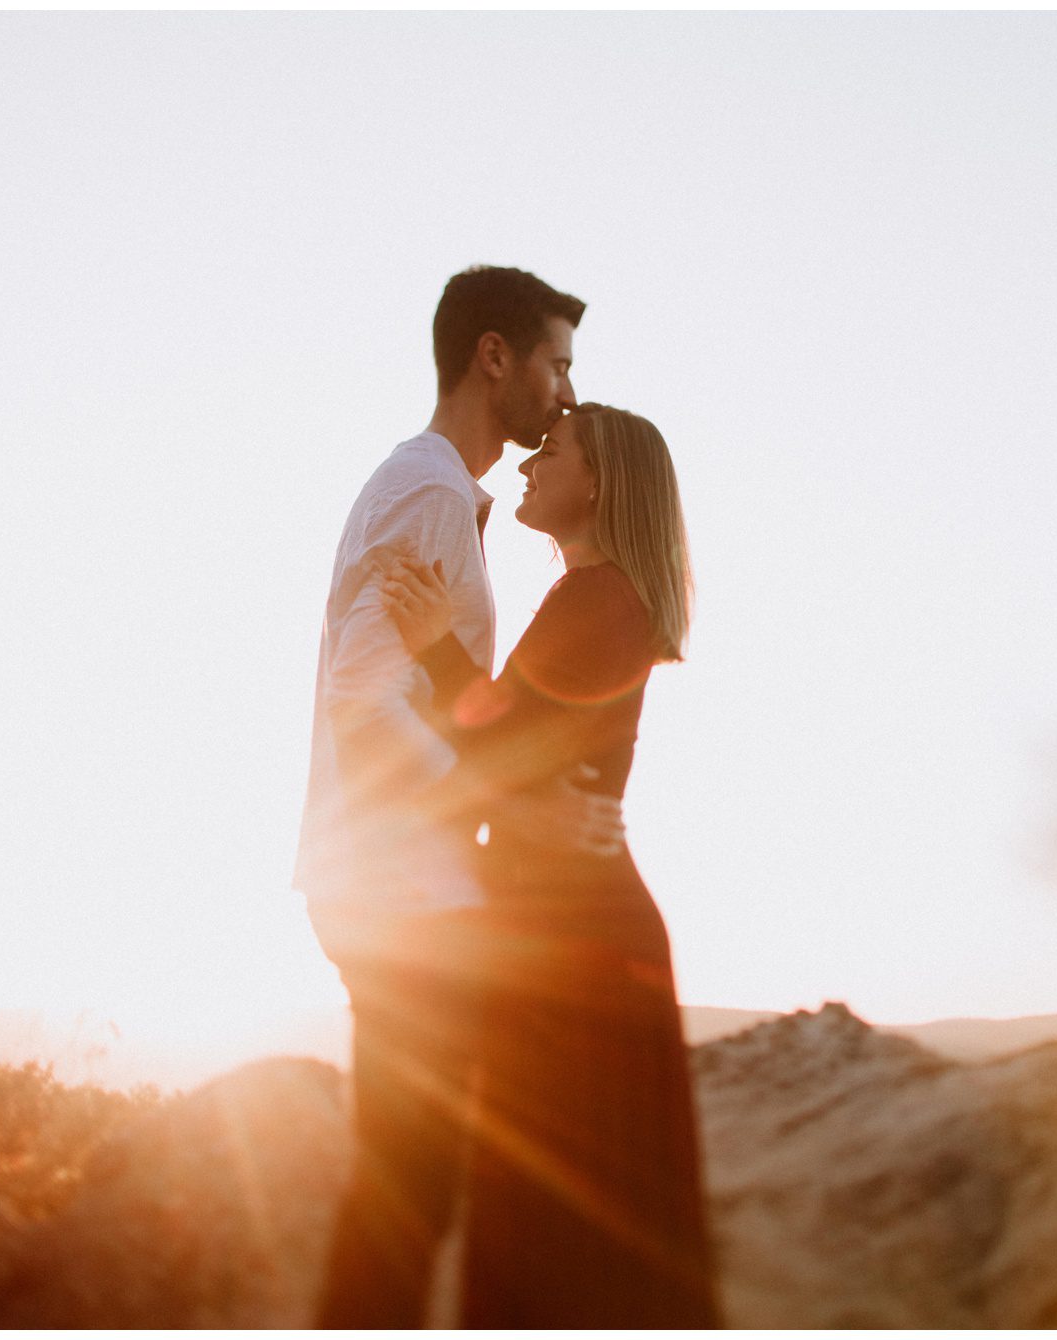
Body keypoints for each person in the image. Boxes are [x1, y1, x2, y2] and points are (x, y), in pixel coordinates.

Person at [295, 265, 628, 1328]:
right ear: (496, 358)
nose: (566, 394)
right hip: (399, 888)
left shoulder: (437, 493)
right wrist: (505, 809)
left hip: (409, 882)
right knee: (408, 1198)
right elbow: (361, 697)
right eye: (557, 363)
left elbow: (418, 692)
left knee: (418, 1190)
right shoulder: (429, 493)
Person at [377, 403, 720, 1327]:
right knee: (562, 1236)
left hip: (581, 944)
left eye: (552, 453)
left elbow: (499, 751)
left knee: (562, 1239)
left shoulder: (601, 600)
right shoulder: (595, 599)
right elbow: (522, 761)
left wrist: (434, 649)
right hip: (566, 927)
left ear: (599, 481)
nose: (530, 465)